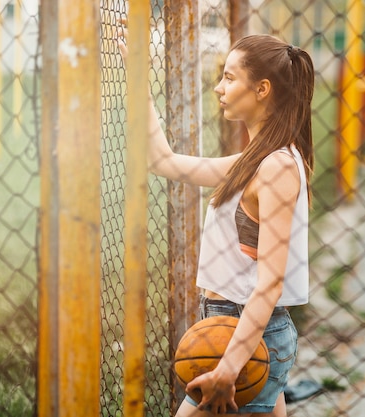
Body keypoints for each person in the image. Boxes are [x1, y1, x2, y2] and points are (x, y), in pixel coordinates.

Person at [118, 26, 315, 417]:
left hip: (244, 337)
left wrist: (229, 368)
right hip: (245, 333)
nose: (218, 88)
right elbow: (164, 162)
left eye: (229, 77)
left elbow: (270, 283)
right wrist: (139, 83)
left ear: (262, 89)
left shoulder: (275, 167)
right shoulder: (256, 160)